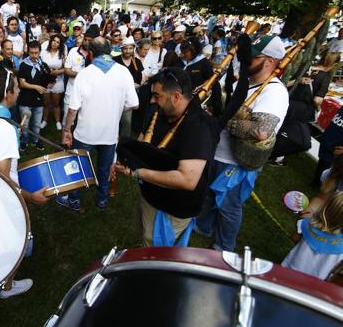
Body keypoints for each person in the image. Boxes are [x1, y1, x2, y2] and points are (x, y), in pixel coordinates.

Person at [196, 35, 289, 251]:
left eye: (254, 57)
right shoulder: (242, 83)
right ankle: (203, 227)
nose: (246, 60)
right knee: (207, 195)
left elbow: (262, 131)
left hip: (237, 162)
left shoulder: (274, 91)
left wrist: (222, 118)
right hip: (217, 152)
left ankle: (224, 246)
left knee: (229, 207)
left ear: (270, 61)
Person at [0, 66, 50, 298]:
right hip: (1, 196)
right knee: (11, 242)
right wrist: (31, 197)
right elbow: (3, 179)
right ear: (8, 93)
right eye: (16, 88)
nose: (18, 92)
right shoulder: (4, 129)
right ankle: (6, 286)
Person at [115, 68, 217, 246]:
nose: (153, 101)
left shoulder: (198, 126)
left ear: (176, 97)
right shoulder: (164, 112)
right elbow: (146, 146)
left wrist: (138, 173)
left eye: (157, 96)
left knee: (155, 253)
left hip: (171, 208)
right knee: (146, 239)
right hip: (152, 196)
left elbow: (187, 179)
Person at [59, 37, 139, 210]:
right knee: (104, 169)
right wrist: (116, 109)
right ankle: (102, 200)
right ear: (110, 51)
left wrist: (66, 129)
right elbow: (134, 104)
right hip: (109, 134)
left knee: (78, 166)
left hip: (85, 133)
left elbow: (73, 109)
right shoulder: (124, 72)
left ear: (91, 53)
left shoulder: (84, 74)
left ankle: (74, 199)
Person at [282, 191, 343, 280]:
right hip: (315, 286)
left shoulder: (306, 223)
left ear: (326, 207)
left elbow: (295, 238)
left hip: (288, 274)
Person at [17, 42, 47, 151]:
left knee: (36, 124)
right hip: (25, 99)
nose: (34, 55)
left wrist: (48, 83)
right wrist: (36, 87)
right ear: (28, 52)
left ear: (40, 52)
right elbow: (22, 83)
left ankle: (35, 141)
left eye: (36, 53)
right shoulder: (24, 65)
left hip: (38, 101)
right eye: (32, 53)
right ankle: (24, 141)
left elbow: (46, 79)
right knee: (25, 125)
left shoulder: (43, 65)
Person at [113, 36, 142, 138]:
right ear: (121, 49)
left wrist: (136, 85)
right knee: (113, 118)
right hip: (115, 95)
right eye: (125, 48)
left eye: (130, 48)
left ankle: (123, 143)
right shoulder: (115, 61)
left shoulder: (137, 62)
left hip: (129, 96)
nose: (128, 51)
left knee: (126, 121)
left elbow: (139, 78)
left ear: (133, 49)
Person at [40, 35, 66, 131]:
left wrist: (58, 72)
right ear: (50, 41)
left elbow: (66, 68)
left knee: (56, 103)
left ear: (60, 45)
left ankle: (58, 121)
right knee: (45, 103)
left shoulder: (61, 54)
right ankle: (45, 120)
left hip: (57, 81)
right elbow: (39, 65)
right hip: (45, 81)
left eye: (57, 42)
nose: (55, 43)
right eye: (53, 41)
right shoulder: (44, 53)